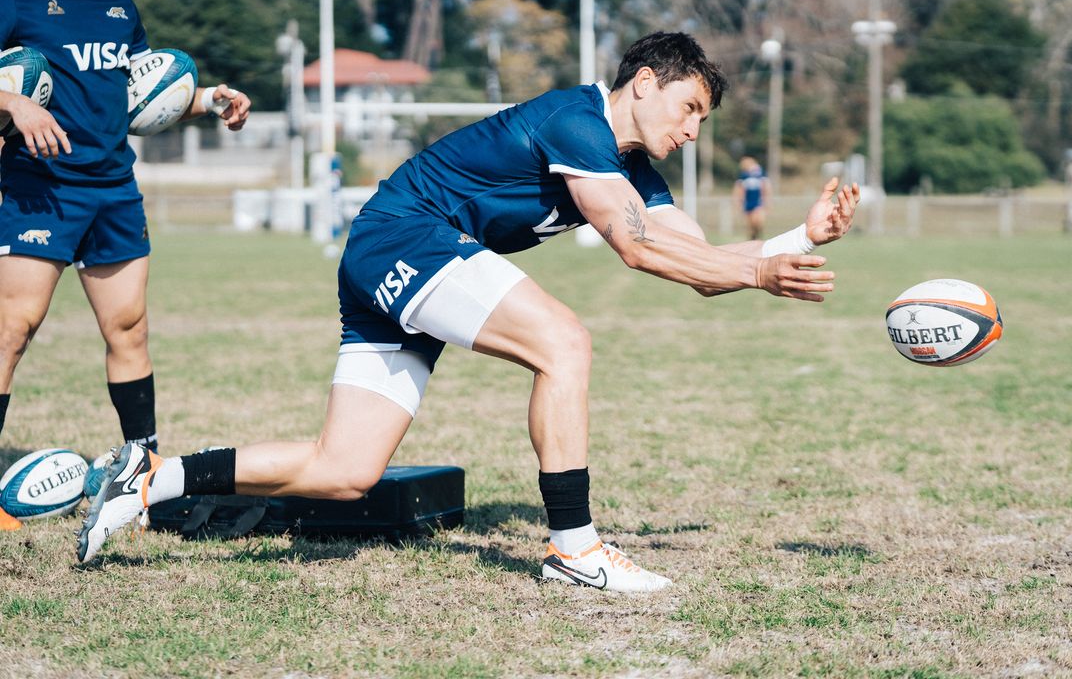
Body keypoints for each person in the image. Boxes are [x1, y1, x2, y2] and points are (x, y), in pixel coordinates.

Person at [78, 32, 858, 592]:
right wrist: (759, 269)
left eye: (702, 121)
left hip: (396, 255)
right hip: (403, 238)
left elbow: (694, 261)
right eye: (689, 109)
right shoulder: (578, 121)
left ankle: (147, 481)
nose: (692, 131)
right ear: (646, 82)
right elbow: (637, 247)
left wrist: (794, 239)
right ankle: (575, 549)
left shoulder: (631, 165)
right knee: (564, 342)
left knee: (345, 471)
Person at [0, 0, 251, 532]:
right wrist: (16, 103)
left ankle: (140, 475)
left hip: (113, 188)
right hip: (39, 187)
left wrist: (207, 100)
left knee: (130, 329)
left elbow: (140, 93)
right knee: (12, 328)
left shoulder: (116, 4)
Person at [733, 155, 769, 240]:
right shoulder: (743, 175)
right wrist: (738, 201)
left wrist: (766, 201)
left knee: (757, 221)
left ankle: (758, 236)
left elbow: (765, 187)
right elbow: (739, 188)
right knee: (750, 224)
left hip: (758, 201)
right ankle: (753, 238)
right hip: (748, 202)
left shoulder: (760, 173)